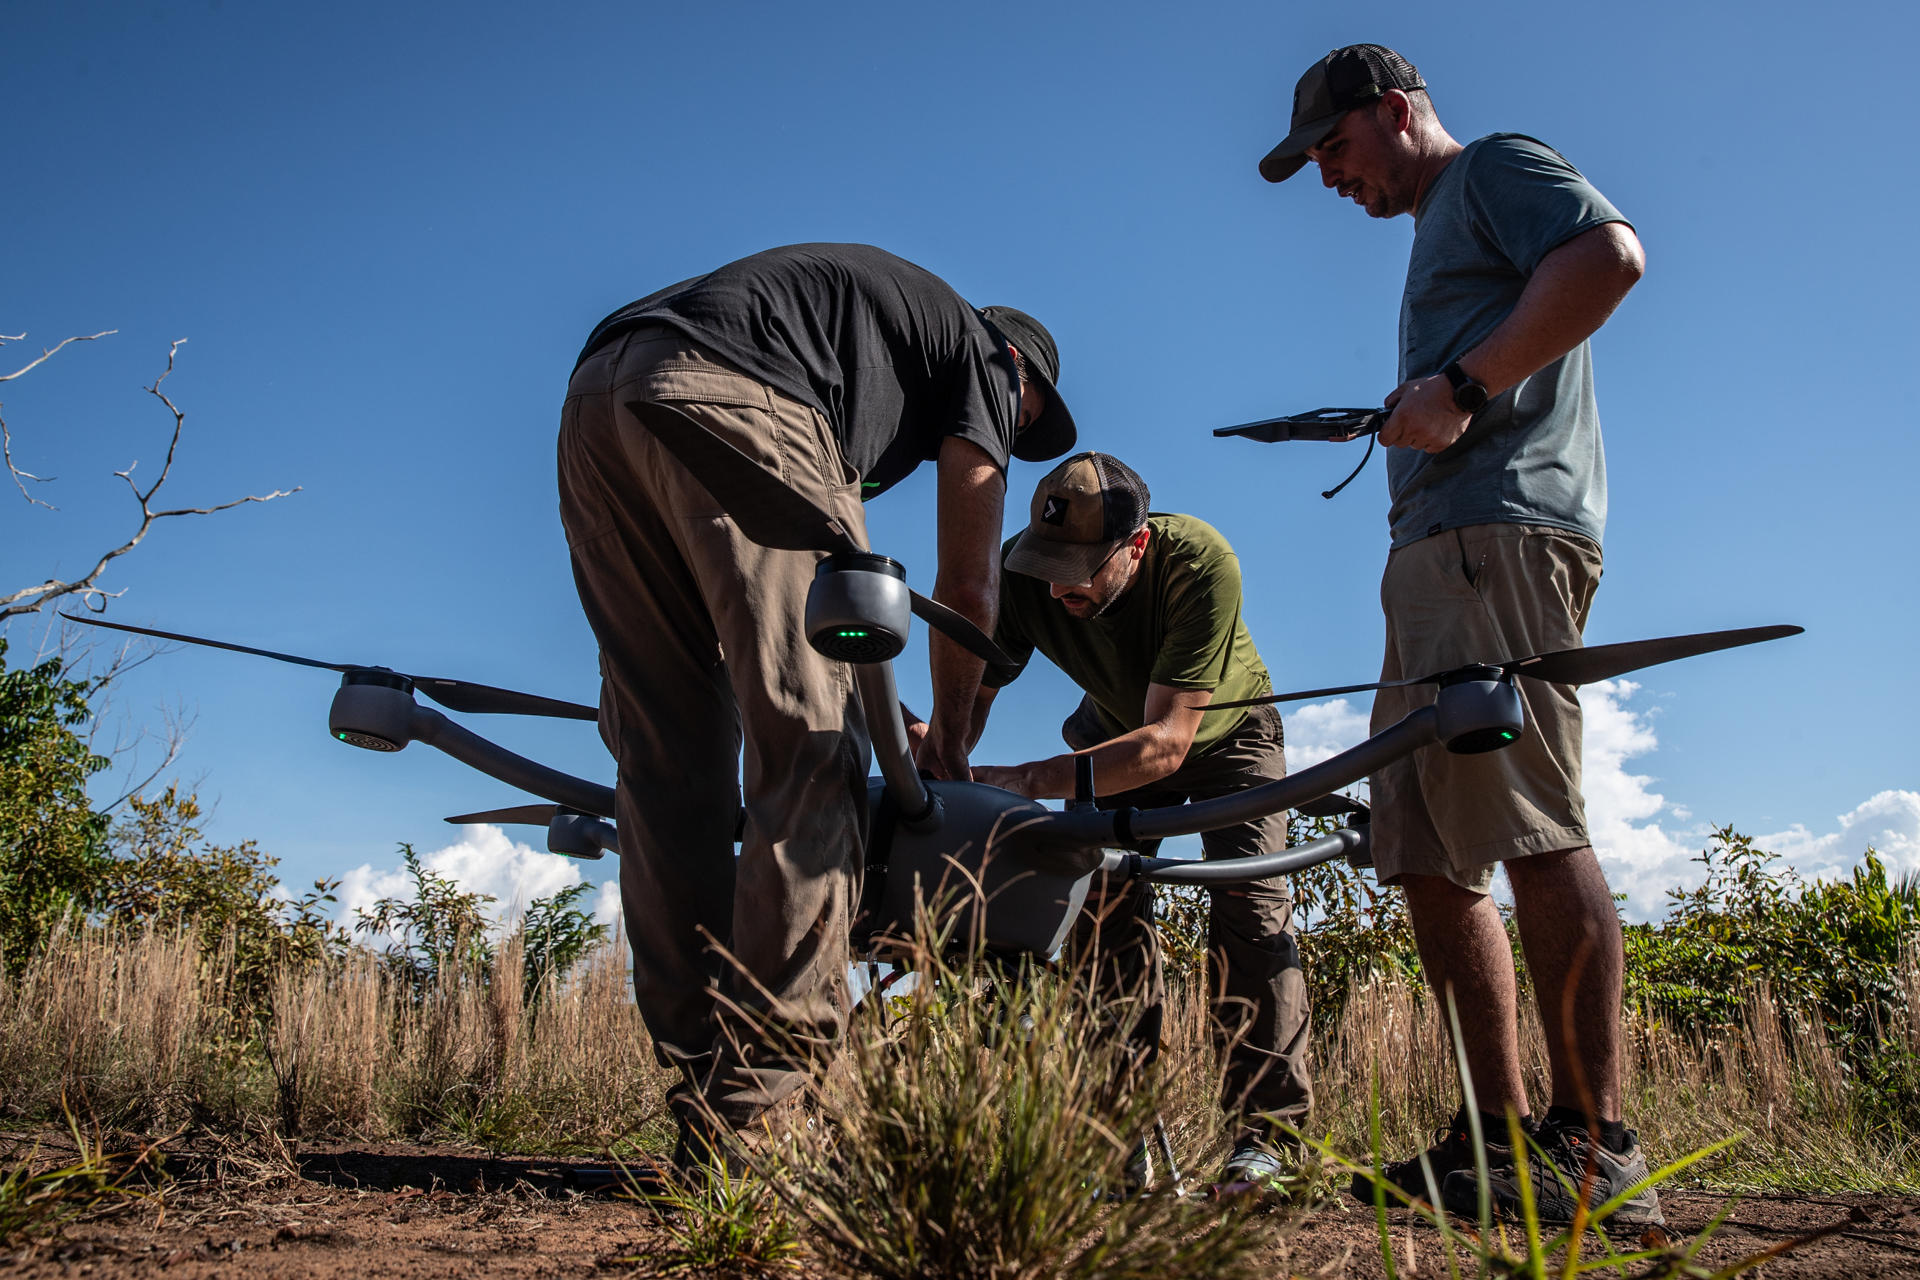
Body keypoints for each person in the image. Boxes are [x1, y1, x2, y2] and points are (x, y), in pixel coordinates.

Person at [557, 243, 1076, 1166]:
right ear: (1018, 374)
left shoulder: (871, 336)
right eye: (1022, 421)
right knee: (811, 747)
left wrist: (897, 717)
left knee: (666, 756)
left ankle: (698, 1065)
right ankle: (768, 1105)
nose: (1010, 431)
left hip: (602, 395)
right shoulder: (986, 362)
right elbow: (968, 585)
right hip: (740, 392)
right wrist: (948, 743)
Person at [1258, 46, 1654, 1223]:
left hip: (1498, 538)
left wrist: (1465, 388)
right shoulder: (1445, 225)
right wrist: (1423, 402)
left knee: (1529, 820)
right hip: (1436, 554)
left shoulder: (1492, 169)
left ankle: (1595, 1142)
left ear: (1395, 110)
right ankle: (1495, 1140)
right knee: (1423, 849)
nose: (1329, 177)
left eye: (1333, 147)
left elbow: (1609, 256)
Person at [918, 450, 1311, 1188]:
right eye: (1049, 561)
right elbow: (968, 712)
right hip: (1109, 730)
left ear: (1137, 544)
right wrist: (942, 753)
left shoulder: (1199, 562)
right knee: (1098, 914)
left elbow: (1166, 745)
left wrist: (1028, 780)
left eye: (1085, 566)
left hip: (1224, 736)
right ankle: (1117, 1139)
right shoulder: (1025, 573)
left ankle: (1268, 1142)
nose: (1063, 583)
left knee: (1249, 907)